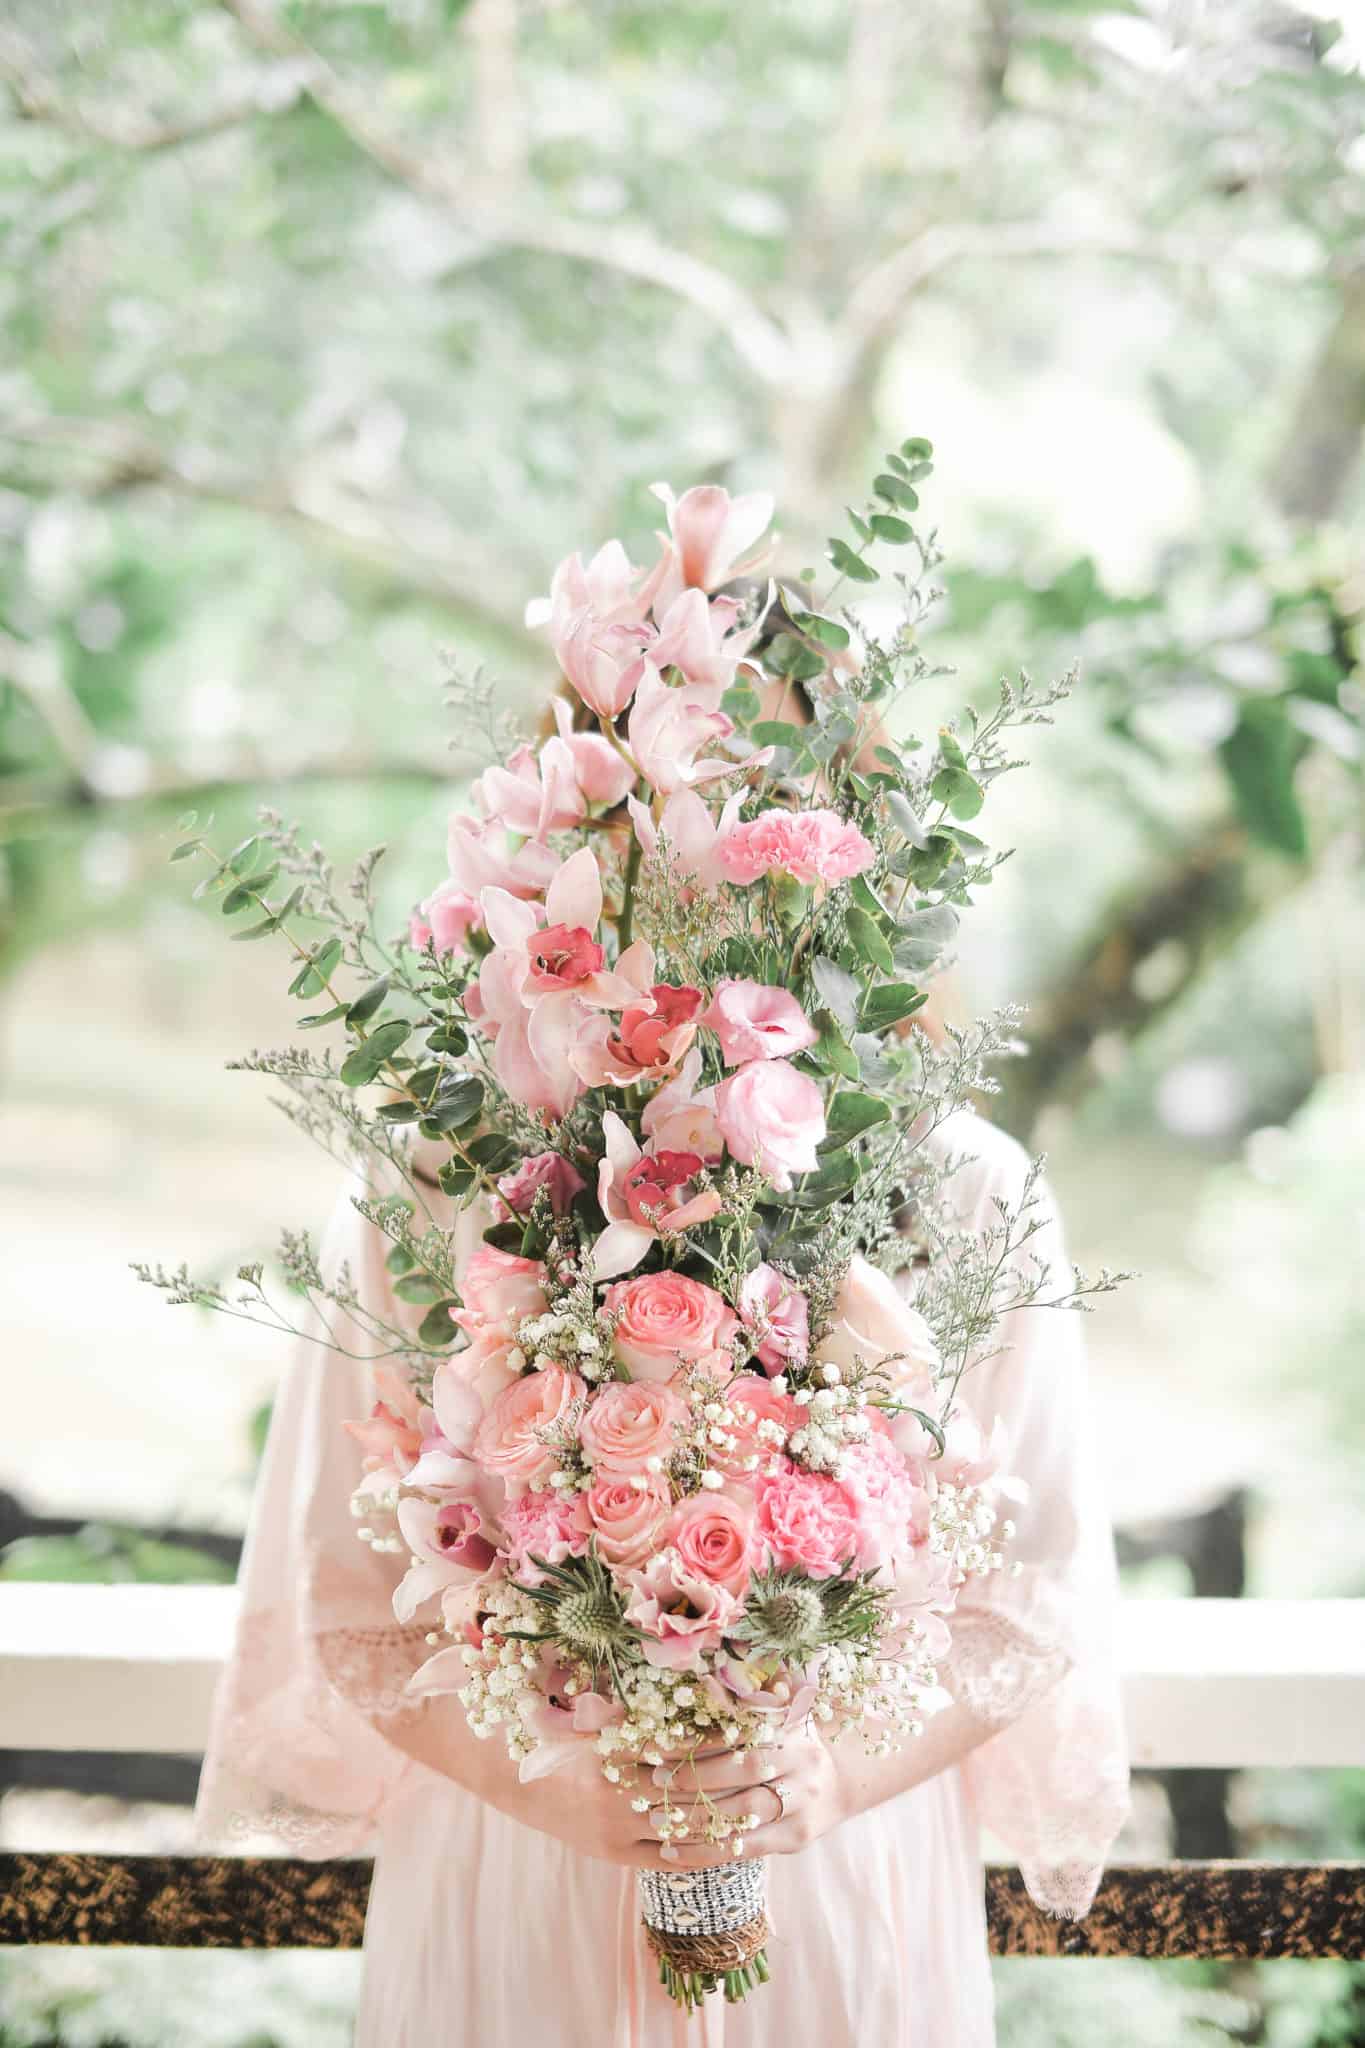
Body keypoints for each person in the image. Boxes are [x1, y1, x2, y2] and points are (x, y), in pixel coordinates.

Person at [197, 1103, 1130, 2046]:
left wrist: (837, 1780)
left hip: (833, 1871)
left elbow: (1027, 1593)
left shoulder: (969, 1181)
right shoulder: (432, 1173)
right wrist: (534, 1785)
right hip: (517, 1862)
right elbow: (352, 1596)